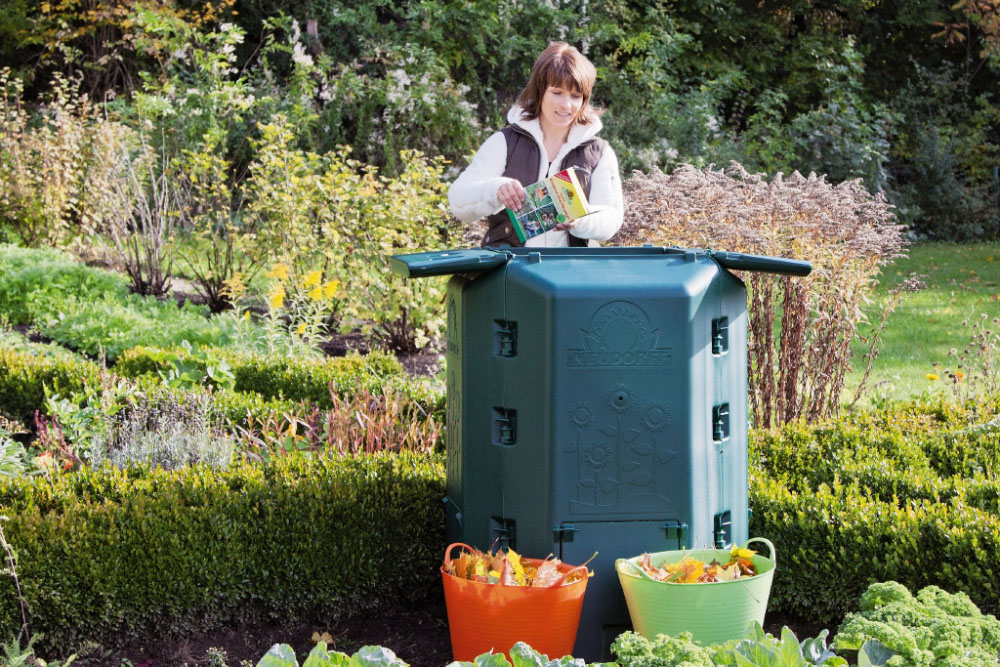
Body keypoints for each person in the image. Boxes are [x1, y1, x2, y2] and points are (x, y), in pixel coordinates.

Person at [448, 41, 623, 248]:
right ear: (540, 91)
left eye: (575, 96)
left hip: (571, 273)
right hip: (512, 271)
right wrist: (496, 189)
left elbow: (611, 219)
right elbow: (458, 200)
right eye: (557, 92)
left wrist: (581, 220)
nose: (566, 105)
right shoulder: (505, 142)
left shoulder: (599, 153)